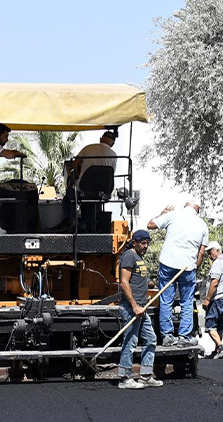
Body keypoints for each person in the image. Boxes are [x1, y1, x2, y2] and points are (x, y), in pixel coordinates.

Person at [147, 201, 208, 346]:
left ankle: (167, 336)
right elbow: (201, 252)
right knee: (187, 302)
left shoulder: (173, 215)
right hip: (187, 266)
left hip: (168, 263)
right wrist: (194, 268)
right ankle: (184, 337)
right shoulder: (202, 225)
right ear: (197, 209)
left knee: (166, 300)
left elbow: (150, 225)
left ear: (185, 206)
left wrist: (162, 214)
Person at [116, 229, 163, 390]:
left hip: (142, 308)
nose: (146, 246)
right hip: (131, 308)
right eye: (143, 243)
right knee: (130, 342)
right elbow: (124, 283)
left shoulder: (138, 257)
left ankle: (146, 375)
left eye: (147, 243)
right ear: (134, 242)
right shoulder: (129, 256)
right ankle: (124, 378)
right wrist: (134, 306)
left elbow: (137, 280)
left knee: (150, 339)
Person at [63, 128, 119, 231]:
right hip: (102, 191)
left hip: (83, 188)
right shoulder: (114, 156)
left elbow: (75, 164)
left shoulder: (88, 148)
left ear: (101, 139)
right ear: (112, 143)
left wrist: (76, 174)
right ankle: (84, 223)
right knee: (95, 203)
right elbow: (110, 174)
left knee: (67, 199)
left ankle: (74, 221)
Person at [201, 242, 223, 359]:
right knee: (219, 326)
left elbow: (214, 283)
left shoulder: (217, 264)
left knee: (210, 325)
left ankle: (221, 348)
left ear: (217, 250)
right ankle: (217, 351)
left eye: (210, 252)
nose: (209, 255)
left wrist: (207, 299)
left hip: (217, 298)